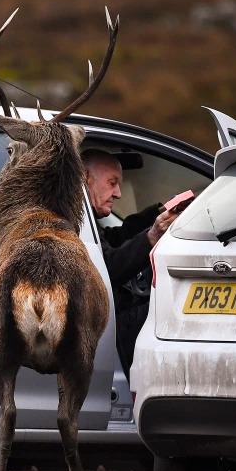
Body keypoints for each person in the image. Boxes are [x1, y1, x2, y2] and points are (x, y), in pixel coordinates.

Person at [81, 149, 179, 375]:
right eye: (112, 183)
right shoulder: (71, 218)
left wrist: (158, 213)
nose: (118, 194)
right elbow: (106, 269)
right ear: (85, 178)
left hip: (105, 321)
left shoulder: (84, 217)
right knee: (169, 306)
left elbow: (113, 240)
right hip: (106, 321)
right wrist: (152, 236)